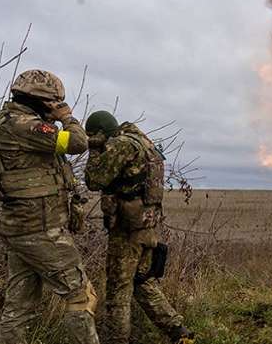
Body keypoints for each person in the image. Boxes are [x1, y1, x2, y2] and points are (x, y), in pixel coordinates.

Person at [0, 69, 99, 344]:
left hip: (19, 227)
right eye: (54, 103)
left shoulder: (5, 124)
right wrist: (66, 116)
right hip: (40, 229)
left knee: (18, 305)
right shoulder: (27, 126)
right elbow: (78, 142)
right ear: (45, 101)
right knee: (81, 295)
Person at [83, 110, 194, 344]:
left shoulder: (122, 145)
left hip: (127, 231)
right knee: (142, 282)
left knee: (117, 293)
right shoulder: (144, 143)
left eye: (94, 136)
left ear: (100, 133)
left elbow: (94, 180)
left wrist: (94, 149)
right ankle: (179, 333)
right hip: (147, 228)